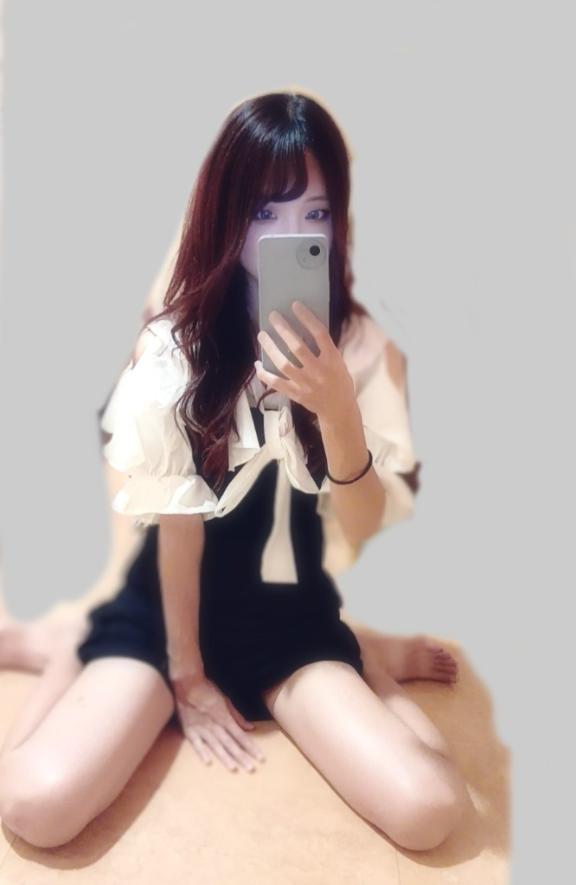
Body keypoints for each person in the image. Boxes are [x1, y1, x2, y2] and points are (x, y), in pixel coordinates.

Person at [0, 90, 467, 851]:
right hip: (169, 607)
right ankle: (69, 642)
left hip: (288, 611)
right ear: (227, 213)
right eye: (264, 211)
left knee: (431, 809)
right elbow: (178, 528)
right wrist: (186, 676)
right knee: (34, 805)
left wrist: (339, 413)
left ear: (339, 221)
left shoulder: (359, 347)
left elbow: (362, 524)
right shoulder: (175, 349)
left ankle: (364, 652)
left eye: (315, 213)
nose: (291, 234)